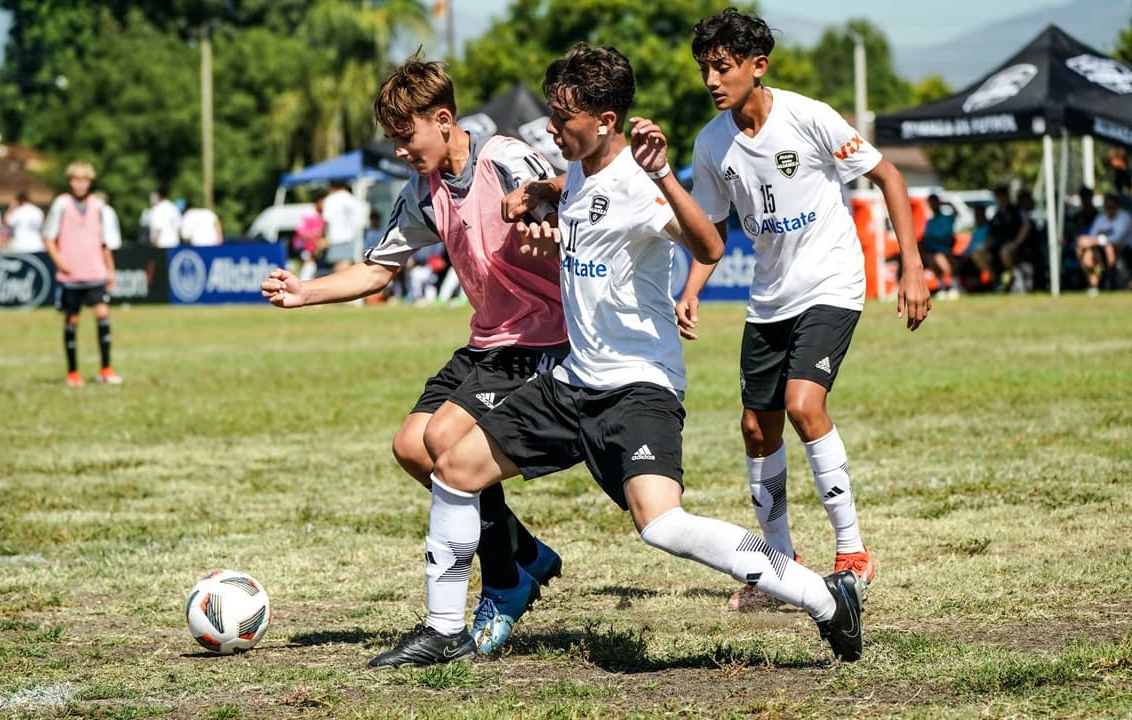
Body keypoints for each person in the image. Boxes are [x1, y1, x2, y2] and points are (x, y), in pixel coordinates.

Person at [366, 42, 865, 670]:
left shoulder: (639, 181)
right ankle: (444, 630)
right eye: (552, 112)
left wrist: (662, 176)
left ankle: (825, 596)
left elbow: (708, 243)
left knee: (661, 525)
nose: (552, 127)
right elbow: (571, 196)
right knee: (454, 467)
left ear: (605, 121)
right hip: (573, 384)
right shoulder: (577, 167)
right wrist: (537, 196)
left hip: (638, 389)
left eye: (563, 118)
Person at [262, 52, 568, 658]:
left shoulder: (504, 158)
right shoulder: (423, 193)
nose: (401, 150)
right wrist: (307, 292)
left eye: (407, 137)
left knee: (446, 442)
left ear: (444, 119)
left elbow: (565, 192)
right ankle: (527, 554)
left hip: (541, 338)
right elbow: (379, 269)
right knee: (410, 446)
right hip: (488, 341)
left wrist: (544, 208)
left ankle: (505, 584)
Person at [675, 8, 929, 613]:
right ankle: (780, 571)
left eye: (723, 66)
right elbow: (711, 230)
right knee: (754, 428)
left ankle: (853, 553)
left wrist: (912, 267)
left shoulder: (809, 116)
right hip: (769, 298)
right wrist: (692, 288)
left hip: (833, 284)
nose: (712, 79)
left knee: (802, 404)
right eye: (705, 68)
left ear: (757, 67)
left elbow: (890, 176)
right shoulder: (711, 144)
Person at [42, 162, 121, 387]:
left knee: (103, 315)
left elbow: (106, 243)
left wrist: (110, 270)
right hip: (71, 274)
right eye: (75, 180)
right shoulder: (62, 205)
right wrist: (60, 262)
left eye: (84, 180)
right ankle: (73, 372)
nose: (80, 184)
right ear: (69, 182)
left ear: (90, 182)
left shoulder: (100, 207)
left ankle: (106, 368)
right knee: (72, 319)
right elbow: (48, 237)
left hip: (95, 270)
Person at [1075, 193, 1132, 295]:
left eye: (1112, 206)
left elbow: (1117, 239)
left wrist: (1097, 240)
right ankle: (1094, 286)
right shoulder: (1101, 218)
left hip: (1125, 250)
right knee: (1088, 253)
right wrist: (1090, 242)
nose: (1109, 209)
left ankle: (1109, 277)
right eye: (1107, 207)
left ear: (1117, 206)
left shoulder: (1125, 218)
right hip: (1102, 250)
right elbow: (1092, 235)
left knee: (1108, 247)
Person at [322, 179, 367, 271]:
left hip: (335, 238)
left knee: (339, 268)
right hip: (351, 237)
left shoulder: (330, 199)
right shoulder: (353, 199)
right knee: (347, 265)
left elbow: (326, 220)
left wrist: (323, 236)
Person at [919, 194, 958, 298]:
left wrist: (948, 204)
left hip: (946, 251)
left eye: (934, 202)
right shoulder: (930, 222)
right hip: (933, 252)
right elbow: (926, 238)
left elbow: (956, 214)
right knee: (931, 258)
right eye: (930, 203)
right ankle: (942, 286)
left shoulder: (946, 218)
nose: (933, 205)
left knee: (938, 258)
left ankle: (955, 285)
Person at [292, 195, 326, 281]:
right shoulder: (308, 214)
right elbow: (301, 233)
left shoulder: (324, 215)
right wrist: (315, 241)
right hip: (304, 247)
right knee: (309, 264)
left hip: (316, 249)